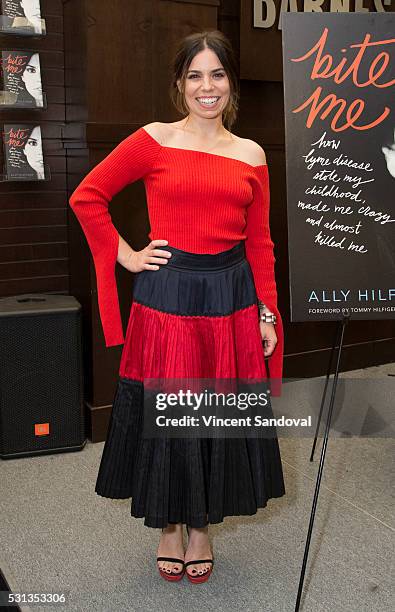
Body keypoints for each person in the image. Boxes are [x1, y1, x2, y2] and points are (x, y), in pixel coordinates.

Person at [69, 29, 286, 584]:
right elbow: (87, 196)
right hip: (167, 297)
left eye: (217, 74)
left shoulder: (251, 154)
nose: (206, 87)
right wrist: (127, 255)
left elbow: (259, 243)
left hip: (231, 298)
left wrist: (266, 313)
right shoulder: (154, 139)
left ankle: (203, 528)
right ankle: (169, 526)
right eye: (195, 75)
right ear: (179, 84)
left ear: (231, 83)